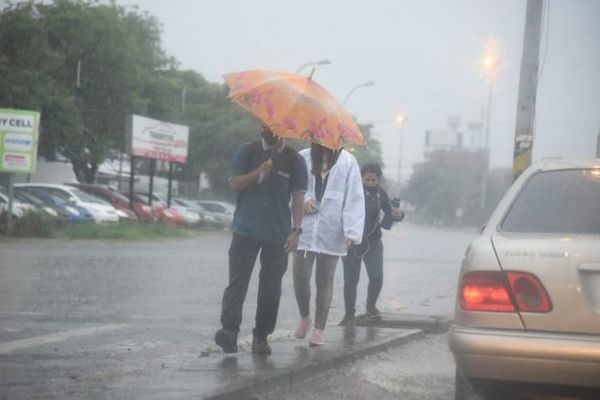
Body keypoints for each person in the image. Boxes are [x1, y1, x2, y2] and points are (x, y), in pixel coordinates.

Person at [214, 125, 307, 355]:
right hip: (245, 229)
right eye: (267, 125)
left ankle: (261, 336)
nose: (270, 130)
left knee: (271, 288)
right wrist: (259, 172)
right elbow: (235, 183)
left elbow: (298, 198)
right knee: (237, 282)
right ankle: (229, 332)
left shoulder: (294, 160)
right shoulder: (247, 151)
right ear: (261, 126)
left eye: (276, 127)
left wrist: (296, 231)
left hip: (278, 234)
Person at [292, 143, 365, 346]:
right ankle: (305, 317)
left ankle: (319, 329)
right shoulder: (302, 157)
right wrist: (304, 200)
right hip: (304, 228)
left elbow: (355, 197)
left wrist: (352, 231)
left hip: (333, 229)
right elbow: (292, 185)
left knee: (325, 280)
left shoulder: (348, 162)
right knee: (300, 276)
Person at [339, 162, 404, 326]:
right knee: (351, 280)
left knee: (377, 276)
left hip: (373, 241)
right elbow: (341, 213)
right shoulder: (352, 191)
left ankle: (370, 306)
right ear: (361, 178)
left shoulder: (380, 194)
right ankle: (349, 314)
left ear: (377, 179)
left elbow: (391, 212)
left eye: (373, 180)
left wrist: (399, 214)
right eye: (366, 180)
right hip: (352, 242)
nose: (369, 183)